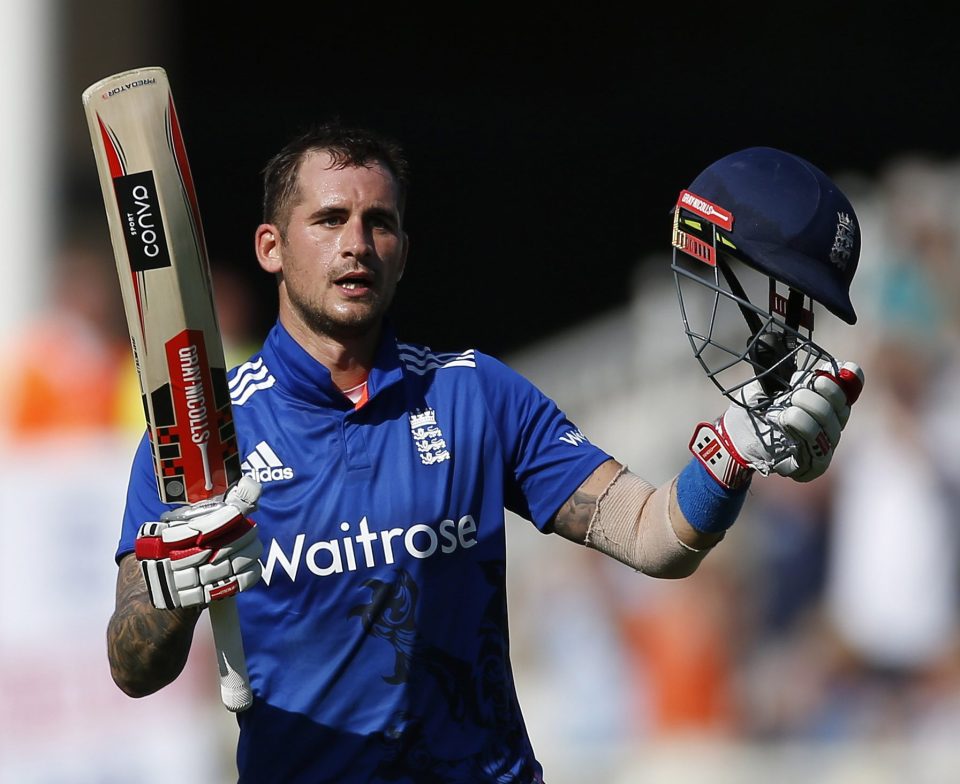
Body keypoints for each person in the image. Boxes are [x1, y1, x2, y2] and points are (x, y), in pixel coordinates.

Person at [107, 129, 864, 783]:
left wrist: (730, 457)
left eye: (379, 223)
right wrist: (174, 594)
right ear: (271, 247)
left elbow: (649, 535)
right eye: (329, 219)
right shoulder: (205, 434)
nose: (355, 244)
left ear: (404, 250)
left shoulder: (476, 394)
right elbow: (132, 665)